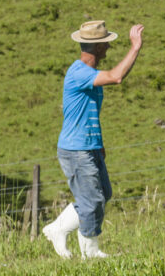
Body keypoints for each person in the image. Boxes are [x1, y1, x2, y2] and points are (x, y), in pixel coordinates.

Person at [42, 20, 144, 259]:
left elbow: (87, 112)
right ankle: (90, 251)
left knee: (103, 195)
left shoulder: (90, 74)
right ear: (97, 47)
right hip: (75, 149)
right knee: (92, 200)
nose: (108, 48)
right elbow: (117, 77)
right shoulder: (79, 72)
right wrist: (135, 47)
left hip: (90, 146)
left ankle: (57, 228)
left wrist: (99, 143)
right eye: (106, 44)